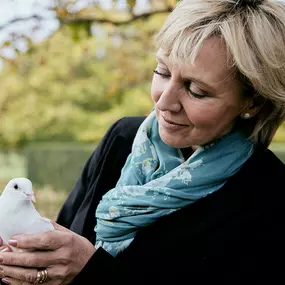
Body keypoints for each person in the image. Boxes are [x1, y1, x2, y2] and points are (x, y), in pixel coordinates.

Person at [1, 0, 285, 284]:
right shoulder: (122, 138)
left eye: (196, 90)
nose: (164, 101)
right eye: (162, 71)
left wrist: (91, 270)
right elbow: (61, 241)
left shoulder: (268, 195)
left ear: (253, 102)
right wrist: (26, 263)